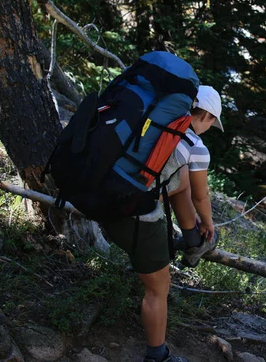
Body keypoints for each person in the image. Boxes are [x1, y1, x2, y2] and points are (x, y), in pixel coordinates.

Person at [101, 85, 224, 362]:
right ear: (206, 116)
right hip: (137, 220)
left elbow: (179, 186)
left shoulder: (155, 127)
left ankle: (192, 240)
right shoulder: (196, 146)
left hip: (105, 203)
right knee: (158, 289)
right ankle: (157, 356)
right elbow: (202, 196)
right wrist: (209, 223)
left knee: (180, 181)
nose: (210, 128)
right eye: (212, 123)